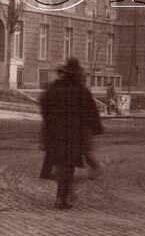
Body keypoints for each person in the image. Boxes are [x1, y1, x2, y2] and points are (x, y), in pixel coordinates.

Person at [39, 58, 104, 209]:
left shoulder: (54, 88)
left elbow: (44, 106)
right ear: (76, 74)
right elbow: (91, 113)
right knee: (67, 167)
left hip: (55, 134)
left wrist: (49, 123)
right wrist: (96, 128)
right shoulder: (81, 91)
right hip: (73, 135)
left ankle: (62, 197)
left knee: (62, 166)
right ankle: (62, 198)